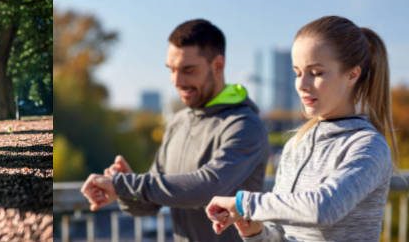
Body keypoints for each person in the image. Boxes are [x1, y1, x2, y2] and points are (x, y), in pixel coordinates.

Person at [205, 15, 395, 242]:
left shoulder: (368, 146)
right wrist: (256, 232)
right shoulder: (297, 143)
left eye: (316, 73)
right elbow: (282, 235)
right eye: (297, 73)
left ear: (352, 74)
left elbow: (323, 208)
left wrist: (244, 203)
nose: (302, 85)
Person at [78, 19, 270, 242]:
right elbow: (149, 206)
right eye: (172, 70)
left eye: (188, 70)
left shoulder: (245, 125)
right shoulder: (178, 122)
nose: (177, 81)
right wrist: (125, 189)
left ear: (218, 65)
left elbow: (207, 188)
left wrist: (125, 184)